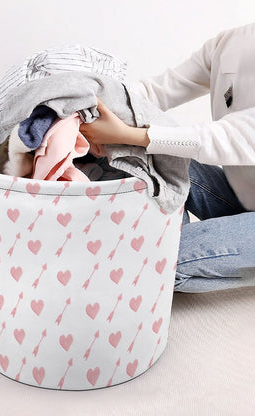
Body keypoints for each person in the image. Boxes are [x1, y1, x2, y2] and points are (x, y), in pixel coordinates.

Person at [80, 23, 255, 293]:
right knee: (147, 157)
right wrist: (89, 105)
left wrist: (128, 133)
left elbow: (225, 136)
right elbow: (156, 92)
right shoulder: (231, 42)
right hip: (243, 197)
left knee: (156, 262)